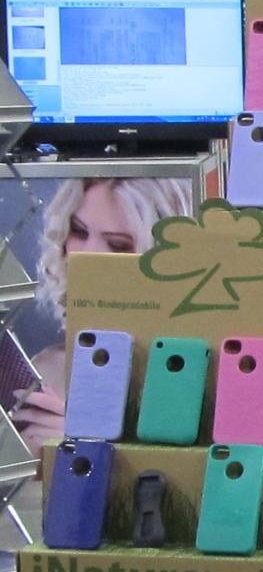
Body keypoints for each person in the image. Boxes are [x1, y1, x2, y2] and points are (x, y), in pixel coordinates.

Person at [12, 176, 192, 457]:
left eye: (118, 245)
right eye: (79, 231)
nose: (86, 255)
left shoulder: (200, 373)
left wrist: (84, 452)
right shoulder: (47, 370)